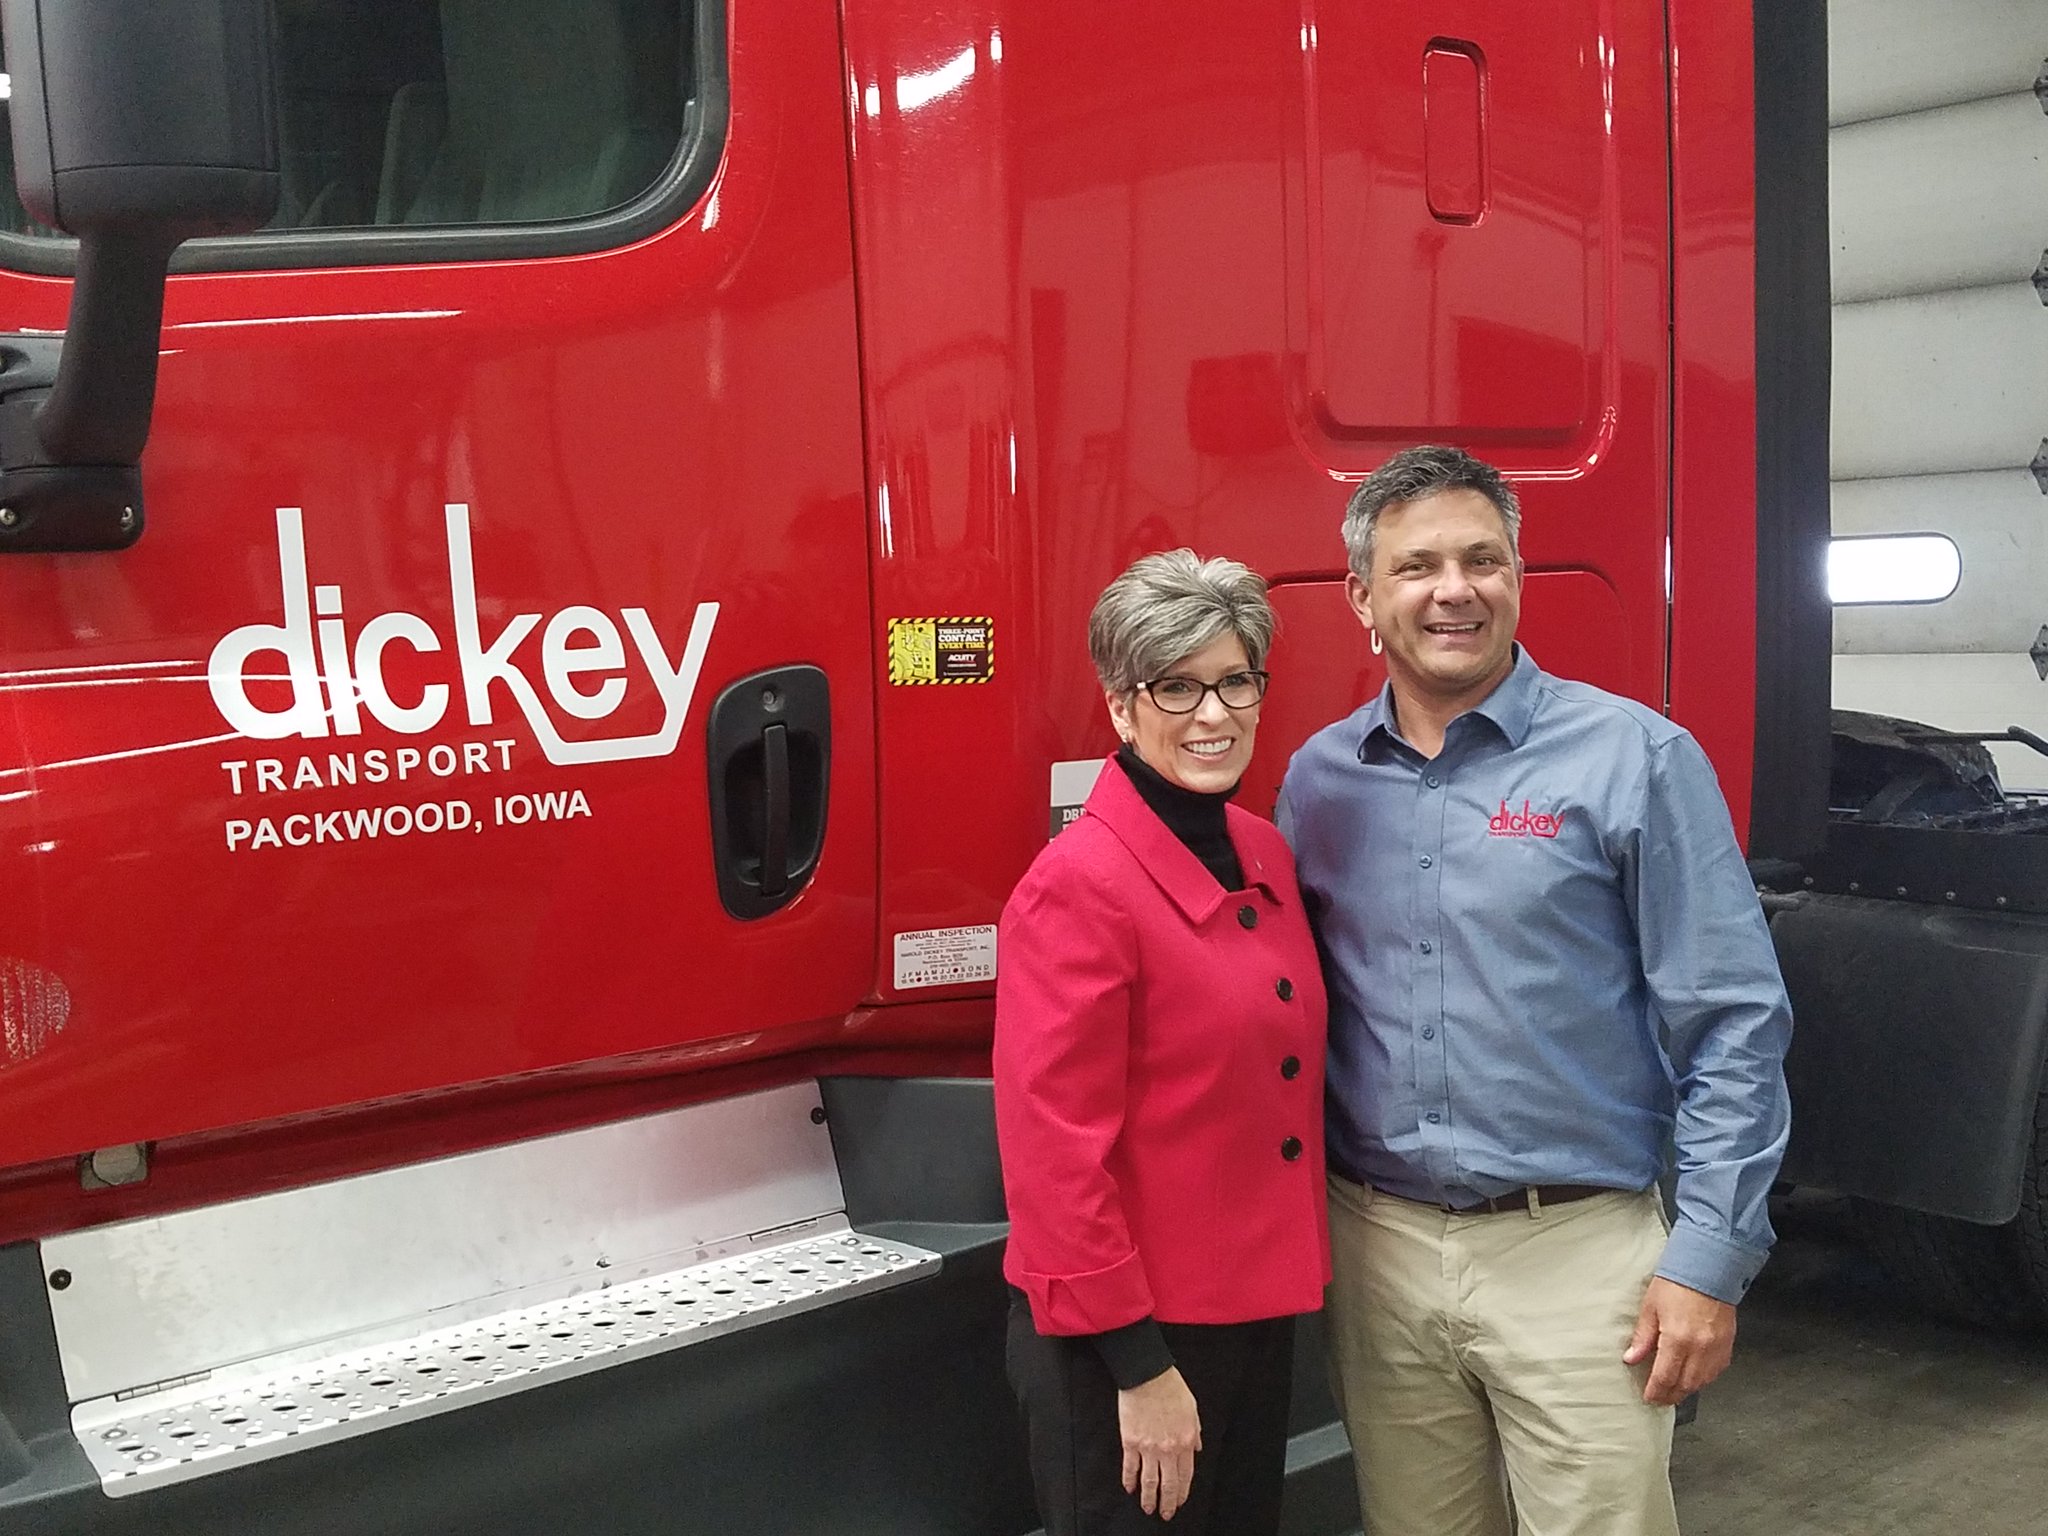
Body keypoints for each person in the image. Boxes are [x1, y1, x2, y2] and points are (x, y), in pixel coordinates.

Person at [1277, 445, 1793, 1536]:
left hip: (1575, 1255)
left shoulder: (1633, 758)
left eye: (1482, 560)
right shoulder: (1318, 781)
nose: (1452, 590)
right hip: (1378, 1252)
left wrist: (1707, 1261)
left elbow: (1732, 1025)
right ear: (1361, 598)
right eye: (1416, 566)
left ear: (1516, 577)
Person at [995, 549, 1330, 1535]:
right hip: (1127, 1343)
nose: (1213, 714)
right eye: (1175, 687)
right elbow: (1054, 1157)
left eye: (1234, 681)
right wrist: (1140, 1369)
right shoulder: (1076, 886)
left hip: (1250, 1320)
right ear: (1119, 704)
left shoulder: (1261, 848)